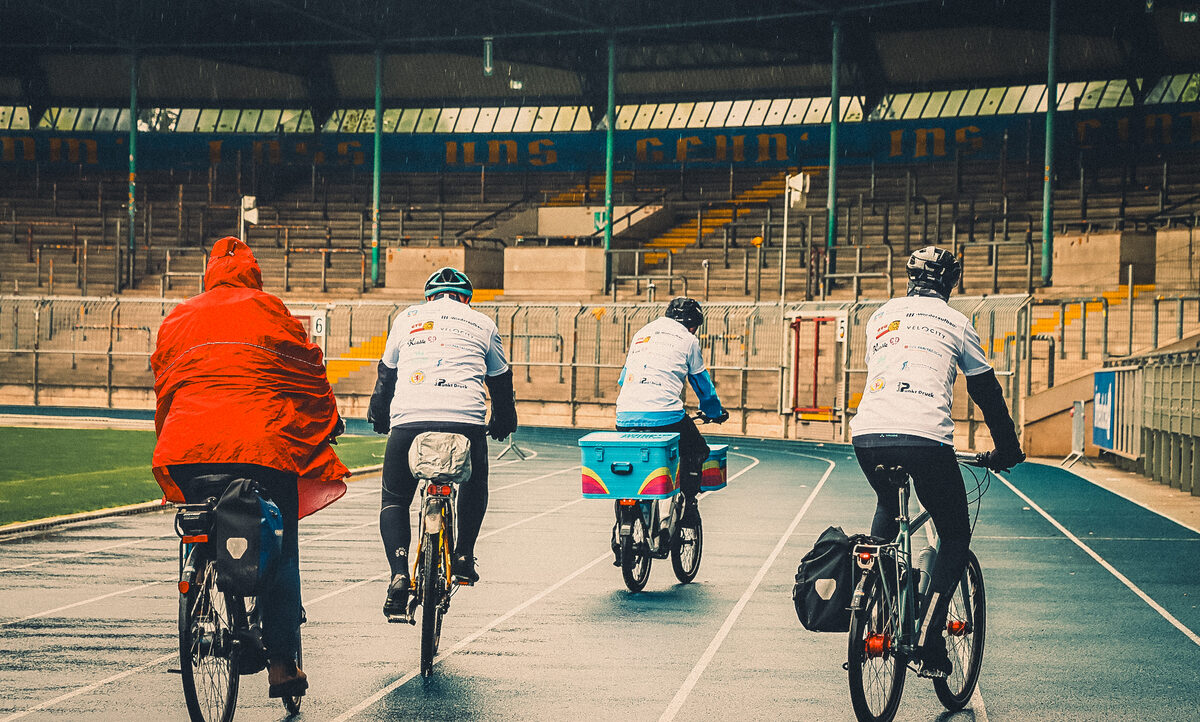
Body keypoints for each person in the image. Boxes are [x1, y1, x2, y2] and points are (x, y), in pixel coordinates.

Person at [151, 236, 349, 700]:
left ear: (209, 274)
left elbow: (165, 378)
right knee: (281, 547)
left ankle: (198, 599)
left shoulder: (179, 315)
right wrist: (328, 420)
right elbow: (308, 370)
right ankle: (281, 664)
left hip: (187, 447)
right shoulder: (269, 310)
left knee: (198, 520)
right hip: (258, 446)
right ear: (253, 273)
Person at [849, 245, 1024, 679]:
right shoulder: (957, 322)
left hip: (867, 435)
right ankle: (929, 641)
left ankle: (872, 593)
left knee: (890, 503)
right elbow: (986, 393)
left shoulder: (879, 316)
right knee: (954, 535)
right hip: (924, 439)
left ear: (908, 280)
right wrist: (1007, 450)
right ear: (950, 284)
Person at [368, 267, 517, 618]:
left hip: (409, 420)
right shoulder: (482, 322)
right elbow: (501, 381)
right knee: (475, 482)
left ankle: (399, 574)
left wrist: (379, 416)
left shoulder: (407, 318)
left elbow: (386, 374)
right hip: (464, 420)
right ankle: (463, 556)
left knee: (394, 498)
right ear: (466, 297)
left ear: (429, 297)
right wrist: (502, 422)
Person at [614, 297, 728, 539]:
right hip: (666, 415)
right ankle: (689, 506)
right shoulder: (689, 340)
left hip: (625, 414)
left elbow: (624, 379)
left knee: (632, 465)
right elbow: (702, 385)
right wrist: (715, 412)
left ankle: (622, 523)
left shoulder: (642, 333)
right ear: (694, 325)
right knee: (696, 450)